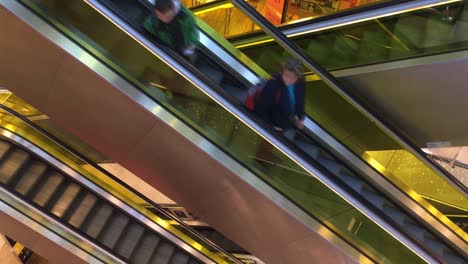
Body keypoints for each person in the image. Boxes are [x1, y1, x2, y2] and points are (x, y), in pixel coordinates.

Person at [255, 58, 306, 133]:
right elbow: (261, 107)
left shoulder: (300, 84)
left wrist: (300, 118)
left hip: (285, 124)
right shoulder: (273, 84)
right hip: (272, 126)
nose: (289, 80)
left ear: (298, 77)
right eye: (286, 75)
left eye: (293, 77)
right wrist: (271, 126)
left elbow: (300, 101)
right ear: (282, 72)